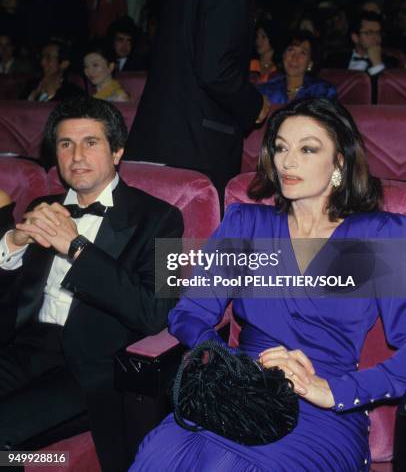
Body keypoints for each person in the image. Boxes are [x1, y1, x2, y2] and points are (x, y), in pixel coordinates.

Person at [130, 98, 406, 471]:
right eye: (280, 147)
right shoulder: (246, 225)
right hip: (235, 393)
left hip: (321, 410)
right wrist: (221, 359)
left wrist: (329, 391)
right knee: (158, 458)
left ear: (339, 161)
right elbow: (189, 312)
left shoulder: (381, 236)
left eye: (308, 149)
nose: (288, 162)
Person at [0, 97, 184, 472]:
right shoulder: (43, 205)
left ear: (117, 151)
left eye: (91, 142)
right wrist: (11, 246)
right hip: (24, 348)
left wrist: (77, 248)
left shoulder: (164, 219)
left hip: (88, 367)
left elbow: (156, 313)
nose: (76, 155)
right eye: (65, 144)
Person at [124, 0, 272, 198]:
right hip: (195, 145)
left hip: (162, 135)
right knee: (190, 244)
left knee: (158, 243)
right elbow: (215, 70)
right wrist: (255, 103)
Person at [258, 30, 337, 103]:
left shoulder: (323, 91)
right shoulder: (266, 90)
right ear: (283, 55)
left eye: (302, 53)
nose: (295, 58)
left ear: (310, 63)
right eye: (291, 50)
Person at [249, 19, 279, 83]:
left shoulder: (278, 69)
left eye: (263, 37)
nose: (258, 41)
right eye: (257, 36)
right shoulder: (250, 63)